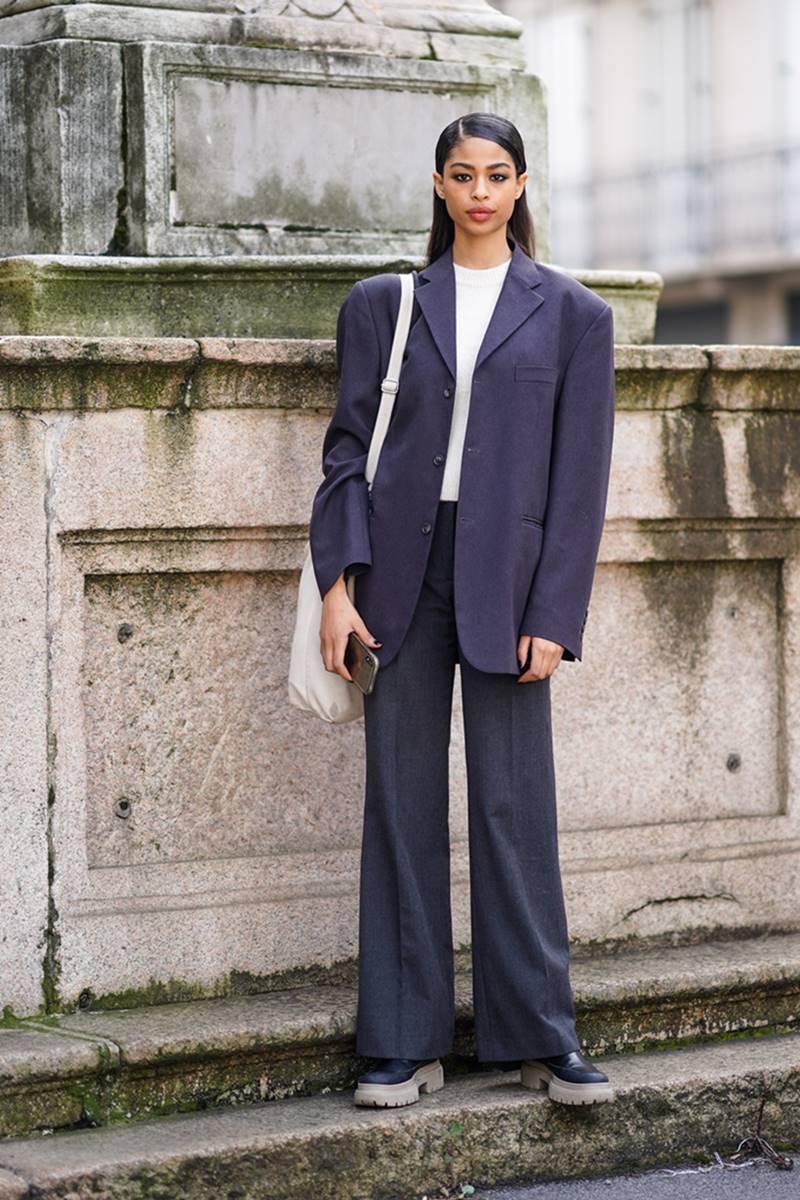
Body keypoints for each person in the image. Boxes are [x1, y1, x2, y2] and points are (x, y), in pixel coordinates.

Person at [308, 112, 616, 1110]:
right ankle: (402, 1041)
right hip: (395, 579)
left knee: (512, 806)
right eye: (459, 174)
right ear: (438, 187)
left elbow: (579, 484)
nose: (478, 191)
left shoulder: (573, 316)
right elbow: (346, 455)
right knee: (398, 808)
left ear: (520, 185)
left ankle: (538, 1033)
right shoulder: (382, 304)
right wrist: (335, 586)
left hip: (510, 586)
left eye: (495, 174)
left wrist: (554, 615)